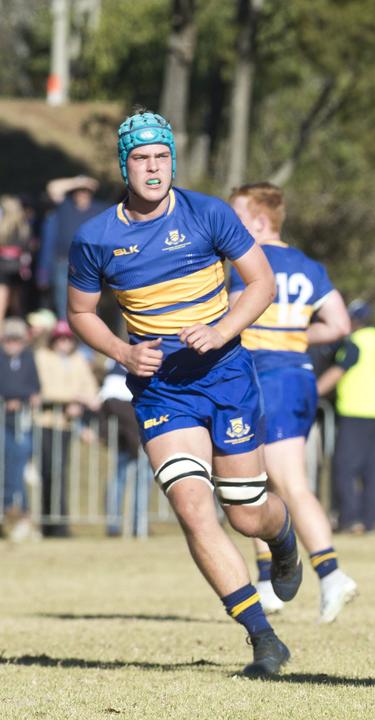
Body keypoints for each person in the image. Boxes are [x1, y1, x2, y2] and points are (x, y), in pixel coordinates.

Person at [66, 110, 300, 676]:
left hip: (226, 377)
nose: (153, 168)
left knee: (245, 515)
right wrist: (122, 353)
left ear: (173, 159)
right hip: (162, 392)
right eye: (142, 158)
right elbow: (80, 313)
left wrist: (221, 330)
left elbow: (261, 282)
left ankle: (283, 535)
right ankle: (262, 638)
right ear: (125, 166)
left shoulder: (209, 214)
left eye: (161, 156)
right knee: (193, 507)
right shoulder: (95, 236)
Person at [228, 182, 358, 622]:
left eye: (237, 216)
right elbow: (339, 324)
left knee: (285, 482)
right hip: (297, 376)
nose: (229, 225)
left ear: (259, 222)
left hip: (268, 378)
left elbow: (225, 319)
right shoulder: (307, 266)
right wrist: (296, 335)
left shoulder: (243, 264)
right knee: (254, 483)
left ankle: (331, 573)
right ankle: (267, 583)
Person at [317, 300, 375, 533]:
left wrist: (312, 392)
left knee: (344, 468)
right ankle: (369, 521)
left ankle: (348, 519)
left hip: (354, 409)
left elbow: (339, 370)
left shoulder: (355, 342)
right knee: (370, 471)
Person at [33, 320, 99, 537]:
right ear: (54, 339)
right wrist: (72, 398)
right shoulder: (42, 357)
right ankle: (48, 523)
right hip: (46, 423)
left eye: (67, 339)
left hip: (66, 426)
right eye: (60, 338)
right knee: (48, 472)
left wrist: (80, 401)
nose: (64, 343)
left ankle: (60, 523)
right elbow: (43, 390)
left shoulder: (78, 360)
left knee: (60, 472)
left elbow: (90, 390)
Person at [40, 176, 108, 319]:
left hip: (89, 264)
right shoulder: (65, 206)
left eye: (85, 191)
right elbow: (52, 188)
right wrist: (78, 181)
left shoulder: (99, 209)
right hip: (63, 262)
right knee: (63, 301)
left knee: (89, 304)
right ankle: (66, 335)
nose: (81, 194)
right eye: (78, 190)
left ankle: (87, 337)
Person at [99, 361, 148, 538]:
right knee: (120, 478)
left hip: (139, 434)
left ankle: (138, 524)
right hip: (126, 437)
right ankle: (115, 525)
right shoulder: (117, 363)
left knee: (141, 479)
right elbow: (111, 400)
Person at [0, 318, 38, 540]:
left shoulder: (28, 359)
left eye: (17, 340)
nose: (13, 344)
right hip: (3, 419)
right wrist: (8, 398)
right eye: (9, 339)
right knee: (7, 464)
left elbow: (35, 387)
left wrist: (23, 398)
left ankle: (16, 509)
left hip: (22, 421)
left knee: (19, 463)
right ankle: (9, 507)